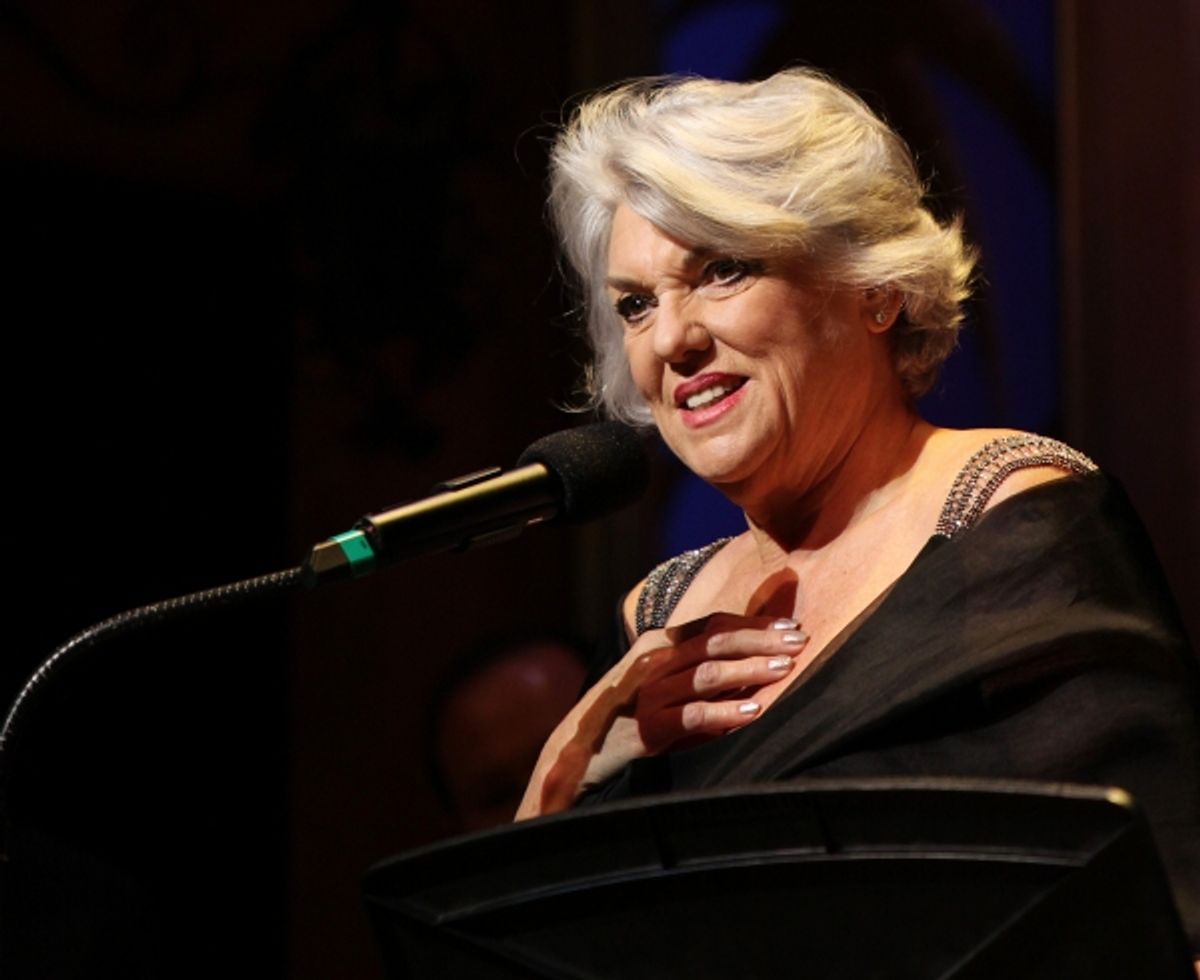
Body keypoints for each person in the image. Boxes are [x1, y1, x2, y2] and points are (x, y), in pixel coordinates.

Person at [514, 69, 1200, 959]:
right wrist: (561, 777)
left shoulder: (1007, 515)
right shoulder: (659, 613)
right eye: (636, 305)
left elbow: (1162, 905)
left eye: (722, 270)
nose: (671, 341)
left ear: (872, 285)